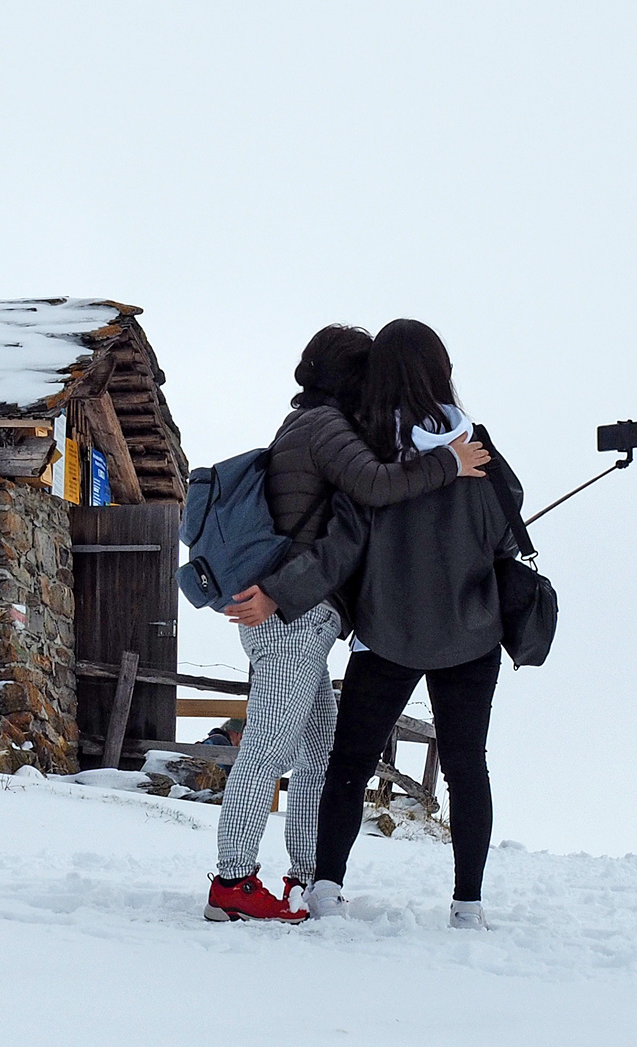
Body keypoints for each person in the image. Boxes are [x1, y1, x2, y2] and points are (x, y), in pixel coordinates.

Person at [200, 324, 490, 923]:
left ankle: (307, 877)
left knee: (319, 748)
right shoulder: (328, 428)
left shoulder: (306, 422)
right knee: (270, 745)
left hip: (299, 612)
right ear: (352, 378)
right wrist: (450, 462)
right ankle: (232, 883)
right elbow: (375, 488)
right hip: (292, 614)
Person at [300, 318, 520, 930]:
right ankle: (468, 905)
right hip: (471, 633)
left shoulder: (369, 452)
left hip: (386, 632)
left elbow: (345, 537)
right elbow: (507, 528)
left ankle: (325, 889)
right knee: (466, 765)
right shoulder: (478, 447)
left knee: (349, 763)